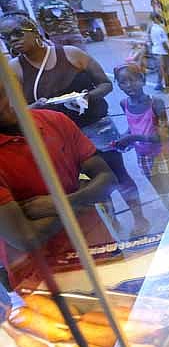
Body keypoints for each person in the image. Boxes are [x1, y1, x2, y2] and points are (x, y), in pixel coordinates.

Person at [0, 13, 151, 235]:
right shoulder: (14, 70)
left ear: (34, 31)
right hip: (56, 136)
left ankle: (139, 220)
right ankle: (112, 225)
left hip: (96, 126)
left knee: (117, 173)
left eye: (17, 33)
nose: (13, 40)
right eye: (6, 37)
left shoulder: (71, 54)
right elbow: (14, 113)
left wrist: (86, 97)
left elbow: (105, 84)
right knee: (84, 183)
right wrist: (38, 108)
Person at [0, 80, 117, 287]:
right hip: (43, 277)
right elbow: (26, 237)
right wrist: (83, 196)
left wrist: (59, 203)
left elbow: (107, 179)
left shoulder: (54, 120)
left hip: (99, 250)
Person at [114, 63, 169, 212]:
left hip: (163, 154)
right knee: (161, 193)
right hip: (143, 158)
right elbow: (133, 125)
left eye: (133, 80)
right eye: (123, 82)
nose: (129, 85)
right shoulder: (124, 104)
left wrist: (132, 138)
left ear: (142, 79)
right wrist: (123, 136)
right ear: (118, 85)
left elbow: (164, 137)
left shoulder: (156, 103)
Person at [148, 12, 169, 93]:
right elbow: (164, 43)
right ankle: (168, 87)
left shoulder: (152, 28)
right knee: (166, 70)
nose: (161, 18)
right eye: (159, 17)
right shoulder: (160, 29)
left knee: (160, 69)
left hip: (155, 50)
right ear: (156, 18)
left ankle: (159, 84)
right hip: (162, 52)